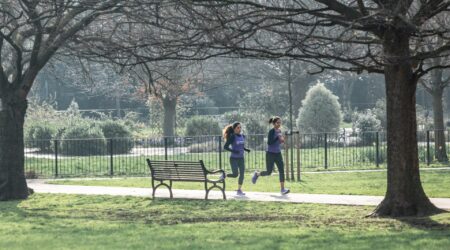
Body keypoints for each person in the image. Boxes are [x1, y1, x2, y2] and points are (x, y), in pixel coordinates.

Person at [251, 116, 290, 195]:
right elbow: (269, 142)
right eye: (277, 122)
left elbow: (280, 142)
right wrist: (277, 138)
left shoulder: (279, 131)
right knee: (269, 172)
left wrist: (284, 139)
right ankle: (257, 174)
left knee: (281, 170)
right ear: (274, 123)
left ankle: (282, 189)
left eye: (280, 122)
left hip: (278, 153)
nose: (279, 124)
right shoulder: (271, 131)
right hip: (270, 154)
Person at [222, 122, 251, 196]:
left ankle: (239, 190)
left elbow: (241, 146)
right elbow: (225, 147)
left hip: (241, 158)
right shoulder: (232, 137)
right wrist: (233, 151)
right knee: (235, 174)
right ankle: (225, 175)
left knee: (242, 174)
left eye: (240, 127)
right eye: (238, 127)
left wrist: (246, 149)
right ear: (234, 129)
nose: (239, 129)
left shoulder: (242, 136)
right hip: (233, 158)